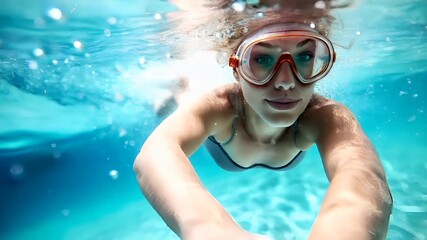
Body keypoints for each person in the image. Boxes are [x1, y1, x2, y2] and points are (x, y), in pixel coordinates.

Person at [133, 0, 393, 239]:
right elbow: (155, 153)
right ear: (236, 68)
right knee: (188, 95)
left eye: (305, 57)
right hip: (212, 112)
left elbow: (361, 172)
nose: (286, 82)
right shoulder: (220, 108)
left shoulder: (324, 115)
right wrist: (210, 229)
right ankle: (178, 88)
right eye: (262, 59)